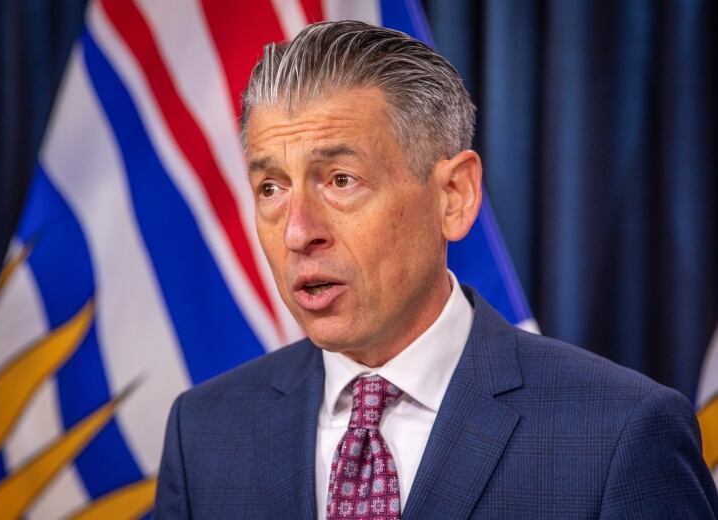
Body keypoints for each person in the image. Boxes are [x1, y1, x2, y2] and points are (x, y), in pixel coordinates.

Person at [154, 20, 718, 519]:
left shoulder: (619, 435)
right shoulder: (203, 433)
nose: (298, 232)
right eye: (270, 188)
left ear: (453, 196)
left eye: (340, 180)